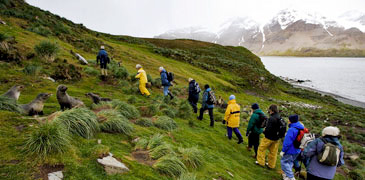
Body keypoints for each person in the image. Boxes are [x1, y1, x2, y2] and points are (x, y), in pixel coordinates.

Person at [256, 104, 281, 169]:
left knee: (261, 149)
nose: (268, 111)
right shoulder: (279, 117)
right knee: (273, 152)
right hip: (276, 138)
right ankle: (271, 165)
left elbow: (268, 128)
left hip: (269, 137)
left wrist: (264, 132)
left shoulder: (271, 118)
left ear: (272, 110)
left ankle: (261, 162)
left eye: (269, 110)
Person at [280, 114, 304, 180]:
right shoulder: (301, 128)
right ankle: (287, 176)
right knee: (290, 162)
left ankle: (291, 177)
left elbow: (287, 142)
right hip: (297, 150)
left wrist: (283, 150)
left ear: (291, 121)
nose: (288, 121)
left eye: (289, 120)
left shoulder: (292, 130)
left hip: (290, 150)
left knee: (284, 162)